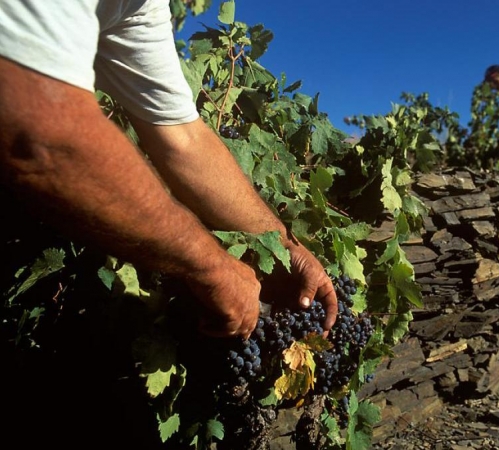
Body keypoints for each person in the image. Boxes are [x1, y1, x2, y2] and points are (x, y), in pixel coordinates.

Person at [0, 2, 337, 340]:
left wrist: (283, 246)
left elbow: (183, 141)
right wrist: (212, 267)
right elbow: (40, 135)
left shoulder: (141, 7)